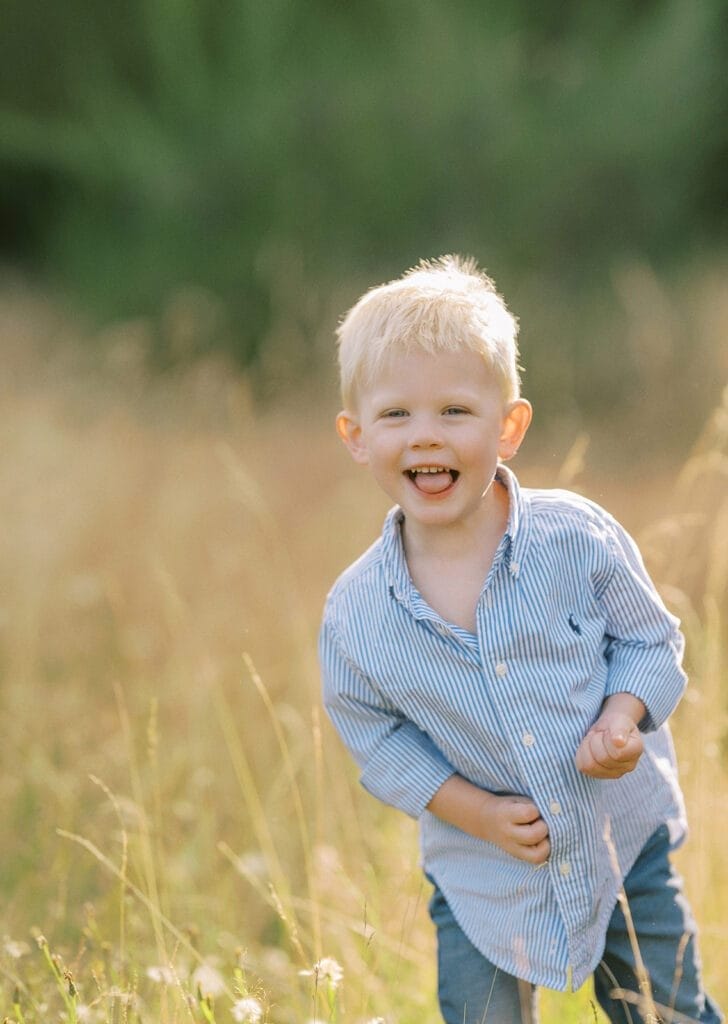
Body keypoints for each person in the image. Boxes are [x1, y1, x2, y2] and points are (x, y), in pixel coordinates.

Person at [319, 256, 722, 1024]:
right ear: (357, 436)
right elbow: (376, 737)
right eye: (396, 415)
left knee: (665, 1010)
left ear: (508, 426)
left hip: (617, 846)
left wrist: (621, 718)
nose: (424, 436)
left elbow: (648, 640)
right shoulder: (358, 613)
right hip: (482, 874)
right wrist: (470, 809)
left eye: (454, 412)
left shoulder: (575, 538)